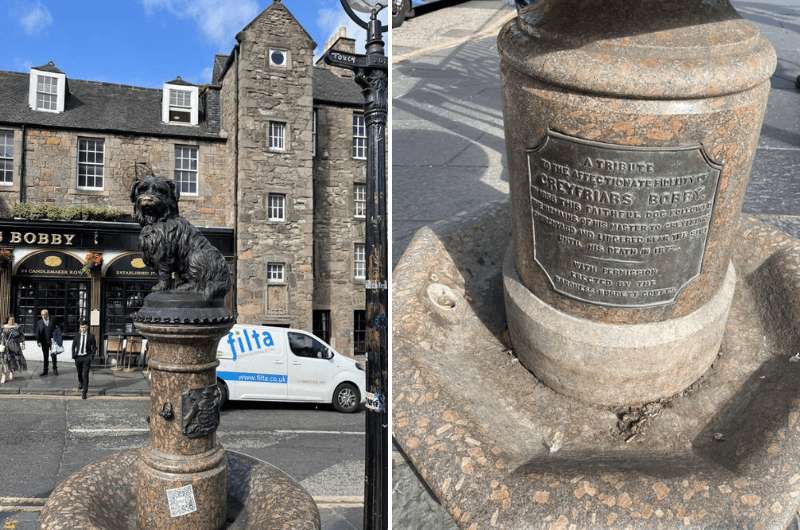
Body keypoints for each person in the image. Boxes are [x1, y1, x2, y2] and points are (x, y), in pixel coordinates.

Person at [71, 321, 96, 399]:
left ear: (87, 327)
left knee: (85, 374)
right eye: (81, 327)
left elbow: (94, 347)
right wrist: (73, 355)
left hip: (86, 357)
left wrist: (91, 356)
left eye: (84, 327)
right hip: (78, 357)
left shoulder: (91, 336)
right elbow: (73, 345)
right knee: (79, 373)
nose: (83, 329)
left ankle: (84, 392)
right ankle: (81, 383)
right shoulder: (76, 335)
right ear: (80, 327)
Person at [35, 309, 57, 376]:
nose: (43, 316)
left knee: (53, 355)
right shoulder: (39, 322)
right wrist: (38, 341)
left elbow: (57, 329)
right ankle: (45, 371)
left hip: (53, 341)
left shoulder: (53, 320)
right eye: (42, 315)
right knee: (45, 356)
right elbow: (37, 332)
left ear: (47, 314)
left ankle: (55, 369)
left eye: (44, 314)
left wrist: (57, 339)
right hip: (44, 341)